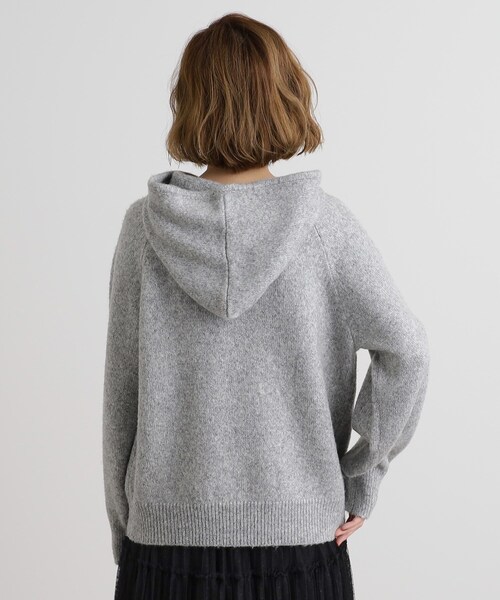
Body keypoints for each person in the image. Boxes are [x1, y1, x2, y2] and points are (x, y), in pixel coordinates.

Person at [102, 12, 430, 600]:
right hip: (301, 546)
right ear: (286, 97)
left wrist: (127, 533)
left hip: (165, 546)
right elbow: (407, 349)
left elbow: (121, 397)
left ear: (190, 103)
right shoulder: (325, 227)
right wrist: (362, 474)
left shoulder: (144, 229)